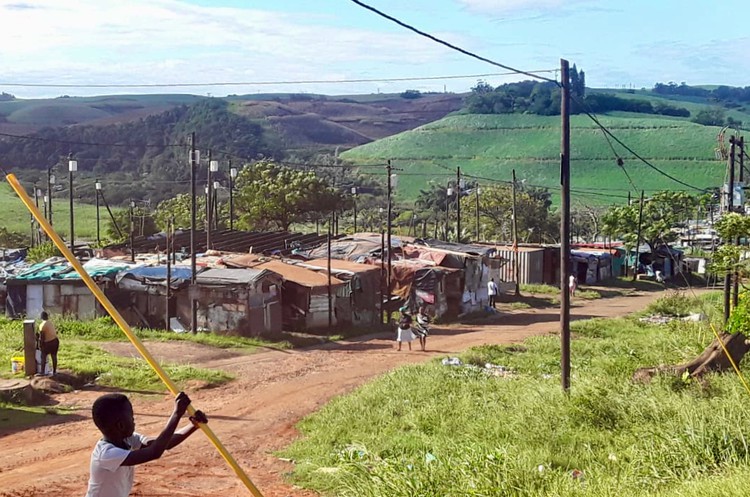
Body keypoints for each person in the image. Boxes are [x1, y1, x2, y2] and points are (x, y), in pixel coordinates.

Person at [85, 391, 207, 497]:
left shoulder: (128, 439)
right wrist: (176, 414)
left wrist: (193, 425)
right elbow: (154, 452)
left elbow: (164, 444)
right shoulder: (106, 455)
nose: (134, 419)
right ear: (120, 425)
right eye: (131, 416)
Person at [38, 311, 59, 376]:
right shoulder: (50, 323)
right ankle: (54, 371)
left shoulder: (42, 325)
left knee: (43, 355)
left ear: (41, 317)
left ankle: (42, 372)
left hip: (49, 343)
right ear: (47, 317)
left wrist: (40, 345)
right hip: (55, 341)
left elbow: (42, 337)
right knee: (54, 356)